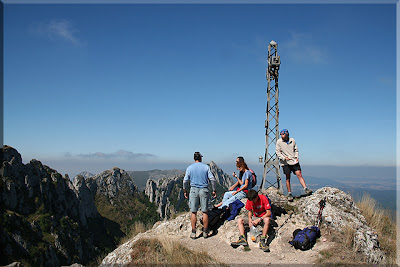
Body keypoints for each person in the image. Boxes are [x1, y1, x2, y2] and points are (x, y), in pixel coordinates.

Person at [183, 152, 217, 239]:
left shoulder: (189, 168)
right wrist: (214, 190)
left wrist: (185, 190)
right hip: (204, 190)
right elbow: (212, 179)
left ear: (194, 158)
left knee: (193, 212)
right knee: (205, 212)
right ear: (200, 158)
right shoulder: (206, 167)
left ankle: (193, 232)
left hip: (193, 190)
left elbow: (185, 181)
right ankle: (205, 232)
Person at [275, 129, 312, 201]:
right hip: (285, 162)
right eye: (281, 134)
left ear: (287, 134)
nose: (282, 136)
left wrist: (296, 157)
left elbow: (296, 150)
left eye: (283, 134)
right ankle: (289, 193)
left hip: (294, 161)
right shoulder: (279, 142)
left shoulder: (292, 140)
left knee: (299, 175)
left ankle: (306, 189)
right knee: (288, 178)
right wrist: (284, 158)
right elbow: (278, 152)